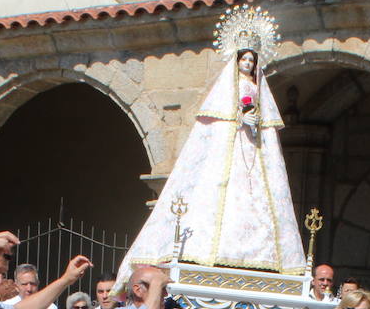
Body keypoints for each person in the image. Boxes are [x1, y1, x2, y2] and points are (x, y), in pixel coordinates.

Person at [118, 28, 306, 276]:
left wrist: (255, 120)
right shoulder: (226, 89)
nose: (248, 64)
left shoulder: (257, 86)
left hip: (253, 148)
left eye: (252, 60)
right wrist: (240, 118)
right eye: (244, 59)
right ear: (236, 61)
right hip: (229, 145)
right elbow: (225, 115)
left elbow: (260, 114)